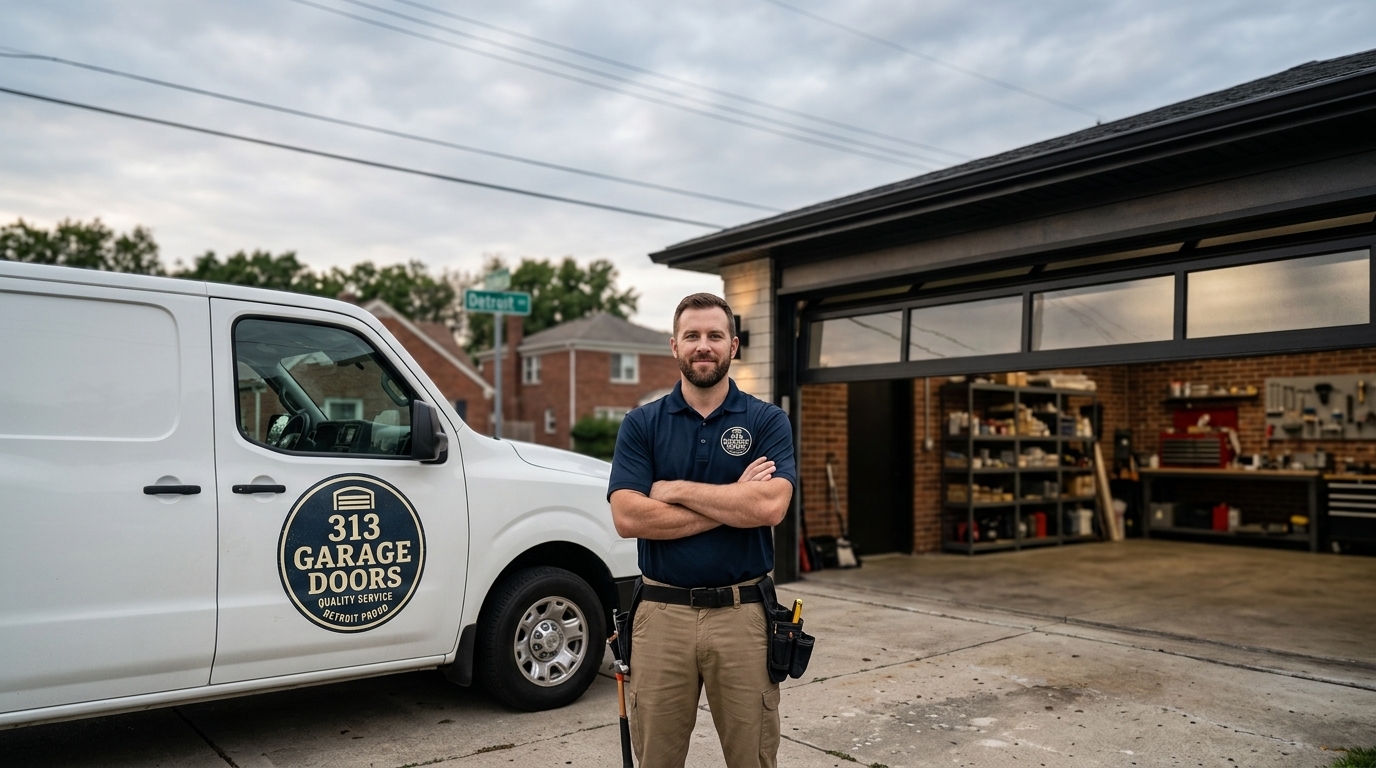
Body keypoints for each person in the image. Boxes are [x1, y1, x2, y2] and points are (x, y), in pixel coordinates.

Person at [607, 292, 796, 768]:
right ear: (674, 346)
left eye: (715, 336)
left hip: (744, 615)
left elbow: (771, 506)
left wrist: (671, 489)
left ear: (733, 346)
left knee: (752, 758)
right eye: (692, 336)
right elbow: (629, 517)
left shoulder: (767, 420)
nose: (703, 345)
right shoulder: (641, 424)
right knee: (656, 759)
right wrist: (735, 499)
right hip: (660, 616)